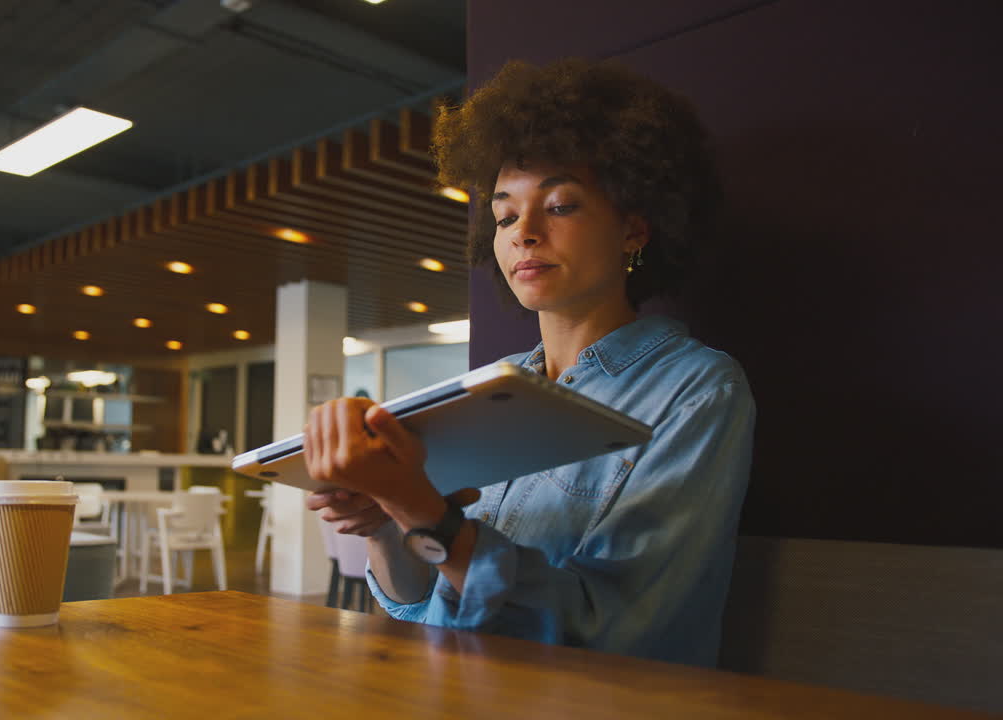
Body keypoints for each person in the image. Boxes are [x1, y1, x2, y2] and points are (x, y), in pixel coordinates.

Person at [303, 58, 755, 667]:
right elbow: (419, 609)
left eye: (561, 205)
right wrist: (386, 520)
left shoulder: (697, 392)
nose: (524, 232)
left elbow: (611, 629)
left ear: (634, 229)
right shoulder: (491, 390)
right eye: (505, 215)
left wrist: (419, 509)